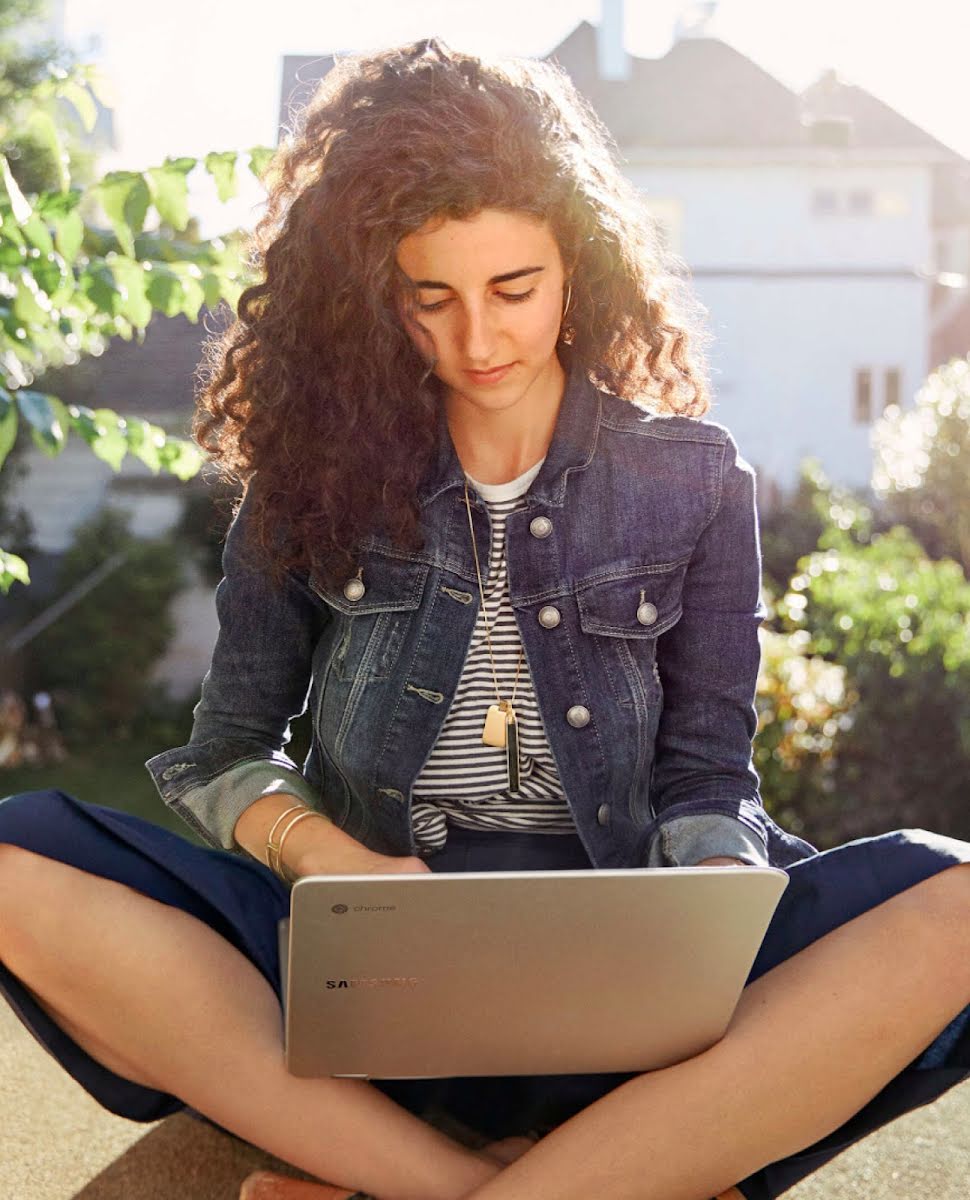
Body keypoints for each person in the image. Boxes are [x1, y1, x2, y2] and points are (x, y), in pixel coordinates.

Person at [1, 36, 969, 1200]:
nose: (478, 340)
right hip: (371, 949)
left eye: (514, 289)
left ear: (580, 269)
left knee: (952, 899)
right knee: (16, 860)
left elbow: (709, 776)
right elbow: (226, 752)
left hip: (624, 952)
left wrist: (708, 901)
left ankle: (400, 1184)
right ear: (373, 300)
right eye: (431, 299)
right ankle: (546, 1179)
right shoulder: (305, 479)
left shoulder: (697, 481)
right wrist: (332, 865)